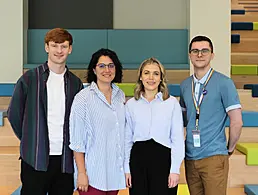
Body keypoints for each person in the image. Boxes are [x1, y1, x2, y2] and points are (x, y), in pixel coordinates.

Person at [7, 28, 83, 195]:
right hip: (35, 157)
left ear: (70, 49)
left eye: (63, 46)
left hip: (64, 160)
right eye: (54, 45)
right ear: (46, 47)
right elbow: (14, 115)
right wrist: (31, 139)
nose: (59, 51)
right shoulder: (29, 79)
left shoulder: (75, 83)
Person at [180, 35, 243, 195]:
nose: (199, 54)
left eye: (204, 51)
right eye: (195, 51)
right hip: (190, 157)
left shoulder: (224, 83)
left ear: (212, 55)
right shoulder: (185, 85)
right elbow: (183, 121)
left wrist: (229, 149)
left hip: (214, 156)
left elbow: (236, 121)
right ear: (189, 55)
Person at [124, 57, 185, 195]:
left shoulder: (171, 103)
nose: (151, 77)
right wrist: (126, 169)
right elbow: (126, 140)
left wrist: (175, 170)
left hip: (163, 161)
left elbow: (177, 139)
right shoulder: (131, 105)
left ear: (161, 78)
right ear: (140, 76)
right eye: (146, 73)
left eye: (156, 73)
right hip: (138, 161)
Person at [69, 48, 126, 195]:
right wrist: (81, 173)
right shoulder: (83, 98)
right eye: (101, 66)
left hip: (114, 175)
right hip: (93, 176)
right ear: (94, 70)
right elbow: (77, 141)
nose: (107, 70)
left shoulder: (120, 96)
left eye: (111, 65)